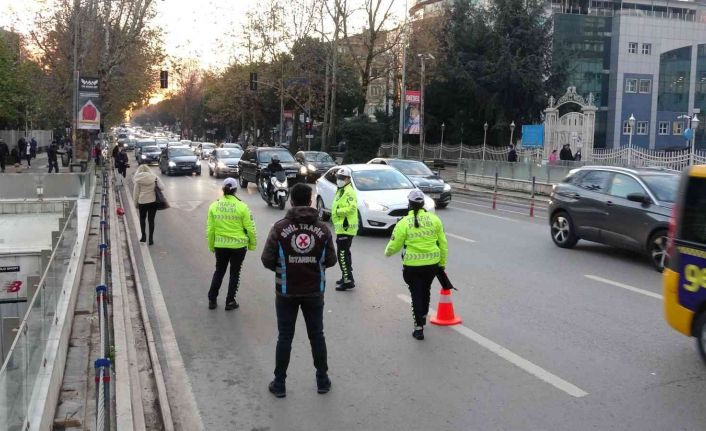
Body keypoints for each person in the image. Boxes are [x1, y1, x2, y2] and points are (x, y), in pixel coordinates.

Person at [261, 183, 337, 398]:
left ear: (291, 201)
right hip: (314, 291)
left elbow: (267, 259)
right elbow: (331, 260)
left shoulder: (279, 228)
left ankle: (279, 383)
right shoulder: (323, 229)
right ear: (310, 201)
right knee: (317, 336)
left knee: (285, 337)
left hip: (286, 291)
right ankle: (322, 380)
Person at [384, 190, 448, 340]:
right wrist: (442, 263)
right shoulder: (435, 219)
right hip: (432, 264)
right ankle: (423, 317)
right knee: (426, 290)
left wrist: (387, 253)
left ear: (409, 204)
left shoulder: (404, 222)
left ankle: (418, 327)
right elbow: (443, 244)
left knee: (415, 294)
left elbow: (395, 244)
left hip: (412, 266)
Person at [206, 178, 257, 310]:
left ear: (223, 189)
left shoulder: (214, 206)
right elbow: (250, 228)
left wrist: (211, 245)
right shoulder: (242, 206)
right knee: (235, 273)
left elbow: (210, 229)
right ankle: (230, 301)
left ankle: (212, 300)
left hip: (220, 246)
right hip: (238, 246)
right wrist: (252, 244)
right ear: (235, 190)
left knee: (219, 271)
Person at [331, 166, 358, 291]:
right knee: (345, 253)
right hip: (342, 228)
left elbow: (351, 208)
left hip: (346, 228)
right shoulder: (341, 190)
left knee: (342, 255)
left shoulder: (349, 192)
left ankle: (348, 281)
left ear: (348, 179)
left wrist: (337, 211)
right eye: (338, 178)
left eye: (342, 178)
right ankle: (345, 276)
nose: (339, 180)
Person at [133, 164, 165, 245]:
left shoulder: (138, 179)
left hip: (142, 202)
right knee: (151, 220)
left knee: (142, 219)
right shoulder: (154, 177)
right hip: (152, 201)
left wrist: (135, 203)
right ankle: (151, 239)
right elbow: (162, 187)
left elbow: (136, 193)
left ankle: (143, 237)